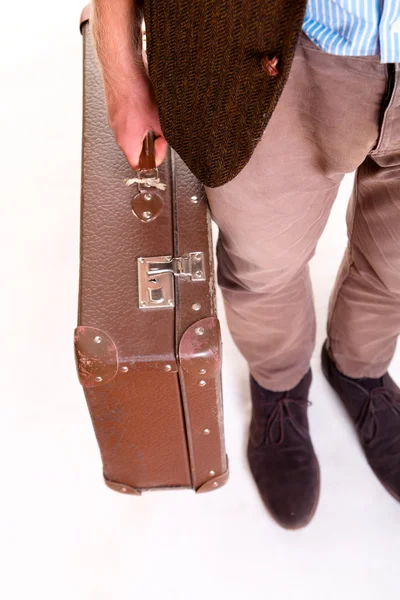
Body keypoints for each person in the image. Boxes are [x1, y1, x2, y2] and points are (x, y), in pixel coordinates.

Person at [91, 0, 400, 529]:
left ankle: (361, 371)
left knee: (396, 267)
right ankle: (279, 383)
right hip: (269, 45)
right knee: (264, 265)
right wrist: (121, 67)